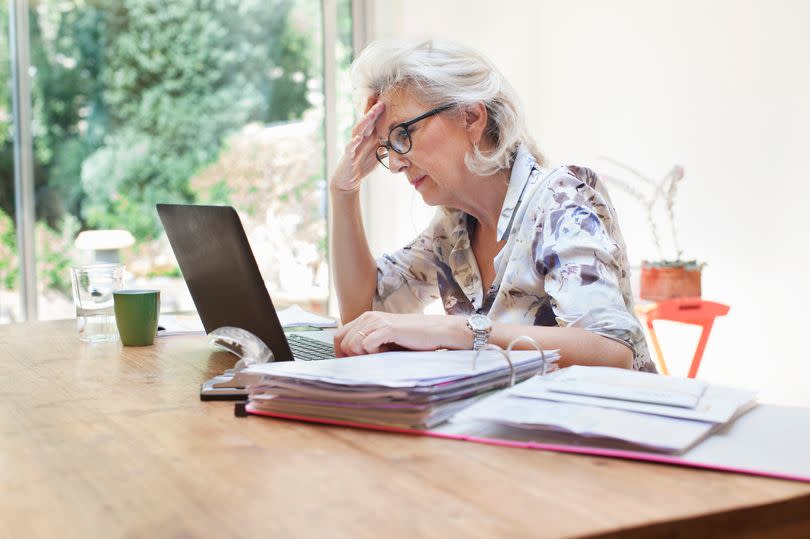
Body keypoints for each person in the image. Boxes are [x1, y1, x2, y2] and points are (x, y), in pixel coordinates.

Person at [330, 39, 655, 372]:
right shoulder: (452, 231)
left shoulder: (559, 201)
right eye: (387, 147)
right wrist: (344, 192)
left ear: (471, 116)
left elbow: (612, 351)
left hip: (607, 421)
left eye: (403, 134)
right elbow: (361, 316)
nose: (397, 163)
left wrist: (457, 331)